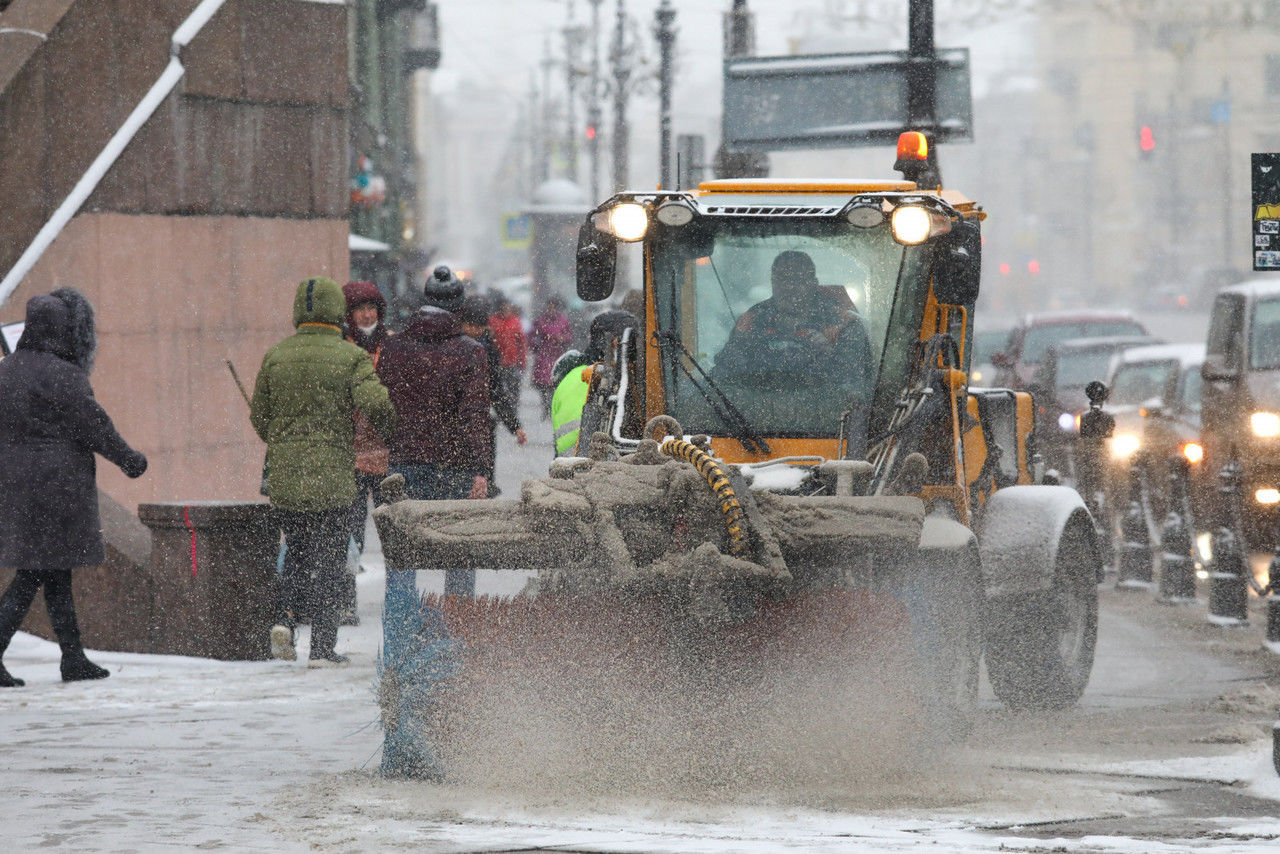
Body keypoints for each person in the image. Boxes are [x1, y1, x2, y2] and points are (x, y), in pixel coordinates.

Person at [0, 288, 148, 687]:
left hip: (15, 486)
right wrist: (130, 459)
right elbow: (95, 426)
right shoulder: (65, 376)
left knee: (55, 572)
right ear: (65, 330)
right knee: (34, 573)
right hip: (56, 488)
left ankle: (73, 657)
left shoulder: (5, 370)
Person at [251, 276, 395, 667]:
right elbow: (376, 405)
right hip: (333, 474)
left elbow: (260, 418)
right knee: (331, 561)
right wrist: (391, 428)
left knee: (295, 551)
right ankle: (321, 649)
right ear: (338, 312)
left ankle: (285, 618)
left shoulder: (276, 356)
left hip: (286, 476)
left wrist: (285, 441)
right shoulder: (350, 357)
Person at [377, 266, 490, 596]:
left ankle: (400, 640)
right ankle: (455, 635)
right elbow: (474, 416)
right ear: (459, 307)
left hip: (402, 465)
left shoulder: (394, 347)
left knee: (402, 558)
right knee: (458, 554)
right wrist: (480, 470)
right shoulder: (471, 351)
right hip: (454, 468)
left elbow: (382, 404)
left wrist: (395, 442)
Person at [714, 249, 872, 391]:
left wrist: (828, 351)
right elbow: (724, 372)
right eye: (782, 280)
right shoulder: (752, 319)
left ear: (813, 283)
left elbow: (859, 380)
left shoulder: (840, 321)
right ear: (772, 283)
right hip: (749, 413)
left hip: (827, 413)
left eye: (798, 280)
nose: (789, 287)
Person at [340, 279, 393, 622]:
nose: (366, 315)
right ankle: (346, 601)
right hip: (351, 455)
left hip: (387, 452)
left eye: (371, 308)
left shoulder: (392, 345)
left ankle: (398, 598)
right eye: (359, 309)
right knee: (350, 532)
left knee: (393, 528)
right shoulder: (341, 346)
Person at [460, 296, 527, 494]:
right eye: (469, 325)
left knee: (484, 475)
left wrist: (514, 426)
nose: (473, 330)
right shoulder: (452, 348)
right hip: (454, 425)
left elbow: (496, 391)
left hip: (481, 423)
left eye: (478, 326)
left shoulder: (488, 349)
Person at [549, 311, 638, 457]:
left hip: (565, 465)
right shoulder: (605, 381)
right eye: (631, 343)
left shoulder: (570, 377)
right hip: (592, 464)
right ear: (615, 344)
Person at [529, 296, 574, 419]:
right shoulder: (540, 321)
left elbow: (569, 336)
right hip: (543, 356)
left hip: (556, 355)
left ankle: (552, 407)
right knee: (543, 385)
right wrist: (536, 345)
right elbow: (532, 337)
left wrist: (562, 339)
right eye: (549, 306)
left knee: (555, 384)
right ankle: (547, 407)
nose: (550, 309)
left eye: (553, 306)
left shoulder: (563, 321)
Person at [488, 298, 527, 409]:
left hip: (512, 362)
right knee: (498, 389)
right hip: (497, 362)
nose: (506, 309)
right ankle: (501, 411)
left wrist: (522, 361)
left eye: (508, 307)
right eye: (504, 307)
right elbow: (489, 340)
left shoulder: (515, 321)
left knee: (513, 388)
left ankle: (513, 410)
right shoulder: (492, 321)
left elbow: (521, 343)